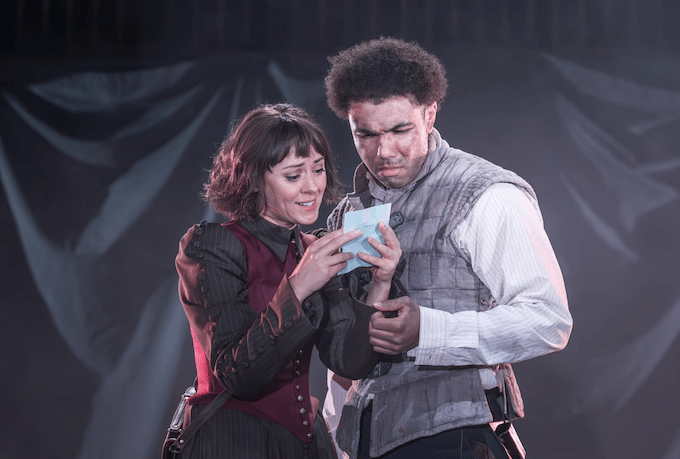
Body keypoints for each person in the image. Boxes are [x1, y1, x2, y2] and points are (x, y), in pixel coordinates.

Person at [321, 37, 573, 459]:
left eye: (399, 130)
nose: (383, 151)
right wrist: (334, 435)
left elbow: (547, 320)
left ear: (430, 113)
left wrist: (428, 330)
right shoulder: (348, 213)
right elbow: (344, 358)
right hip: (362, 442)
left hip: (458, 437)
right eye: (365, 134)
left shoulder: (485, 192)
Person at [174, 103, 402, 459]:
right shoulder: (212, 245)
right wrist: (298, 285)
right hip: (232, 443)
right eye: (294, 176)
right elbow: (236, 375)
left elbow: (349, 361)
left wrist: (380, 283)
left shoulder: (312, 249)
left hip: (304, 445)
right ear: (253, 178)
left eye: (318, 170)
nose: (312, 187)